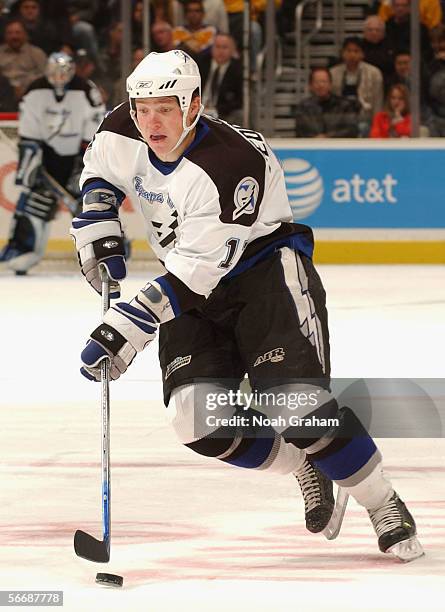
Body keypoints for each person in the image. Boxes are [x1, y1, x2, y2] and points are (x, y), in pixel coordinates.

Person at [70, 49, 423, 560]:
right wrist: (98, 217)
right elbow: (99, 170)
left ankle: (381, 501)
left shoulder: (229, 165)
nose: (151, 121)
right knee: (198, 421)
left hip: (263, 277)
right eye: (143, 107)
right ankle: (304, 466)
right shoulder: (123, 124)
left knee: (299, 409)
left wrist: (125, 326)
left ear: (194, 105)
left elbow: (196, 276)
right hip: (188, 276)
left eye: (165, 108)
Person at [0, 51, 105, 274]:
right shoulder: (35, 89)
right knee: (35, 203)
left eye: (63, 73)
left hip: (79, 156)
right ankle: (24, 251)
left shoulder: (86, 88)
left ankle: (106, 251)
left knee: (90, 204)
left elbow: (97, 119)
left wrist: (86, 155)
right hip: (46, 157)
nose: (58, 78)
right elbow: (28, 128)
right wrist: (31, 156)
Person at [330, 36, 384, 137]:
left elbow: (378, 103)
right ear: (342, 53)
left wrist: (376, 126)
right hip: (340, 120)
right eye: (348, 51)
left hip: (364, 119)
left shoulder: (374, 73)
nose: (352, 55)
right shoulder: (333, 73)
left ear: (362, 54)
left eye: (356, 51)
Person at [294, 67, 359, 138]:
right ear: (310, 86)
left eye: (324, 81)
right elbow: (300, 131)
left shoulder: (344, 105)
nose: (321, 85)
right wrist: (316, 138)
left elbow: (352, 130)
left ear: (330, 85)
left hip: (338, 146)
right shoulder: (303, 107)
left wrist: (328, 137)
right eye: (317, 82)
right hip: (312, 146)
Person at [198, 32, 242, 123]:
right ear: (212, 48)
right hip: (197, 108)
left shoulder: (238, 70)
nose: (220, 51)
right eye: (217, 47)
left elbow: (238, 100)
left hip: (222, 113)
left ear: (233, 50)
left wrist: (216, 110)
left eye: (224, 47)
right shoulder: (201, 63)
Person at [0, 19, 47, 104]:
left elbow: (45, 75)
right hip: (3, 94)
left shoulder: (37, 53)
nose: (14, 36)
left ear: (25, 35)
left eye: (18, 32)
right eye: (10, 33)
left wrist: (24, 86)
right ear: (5, 35)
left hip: (30, 92)